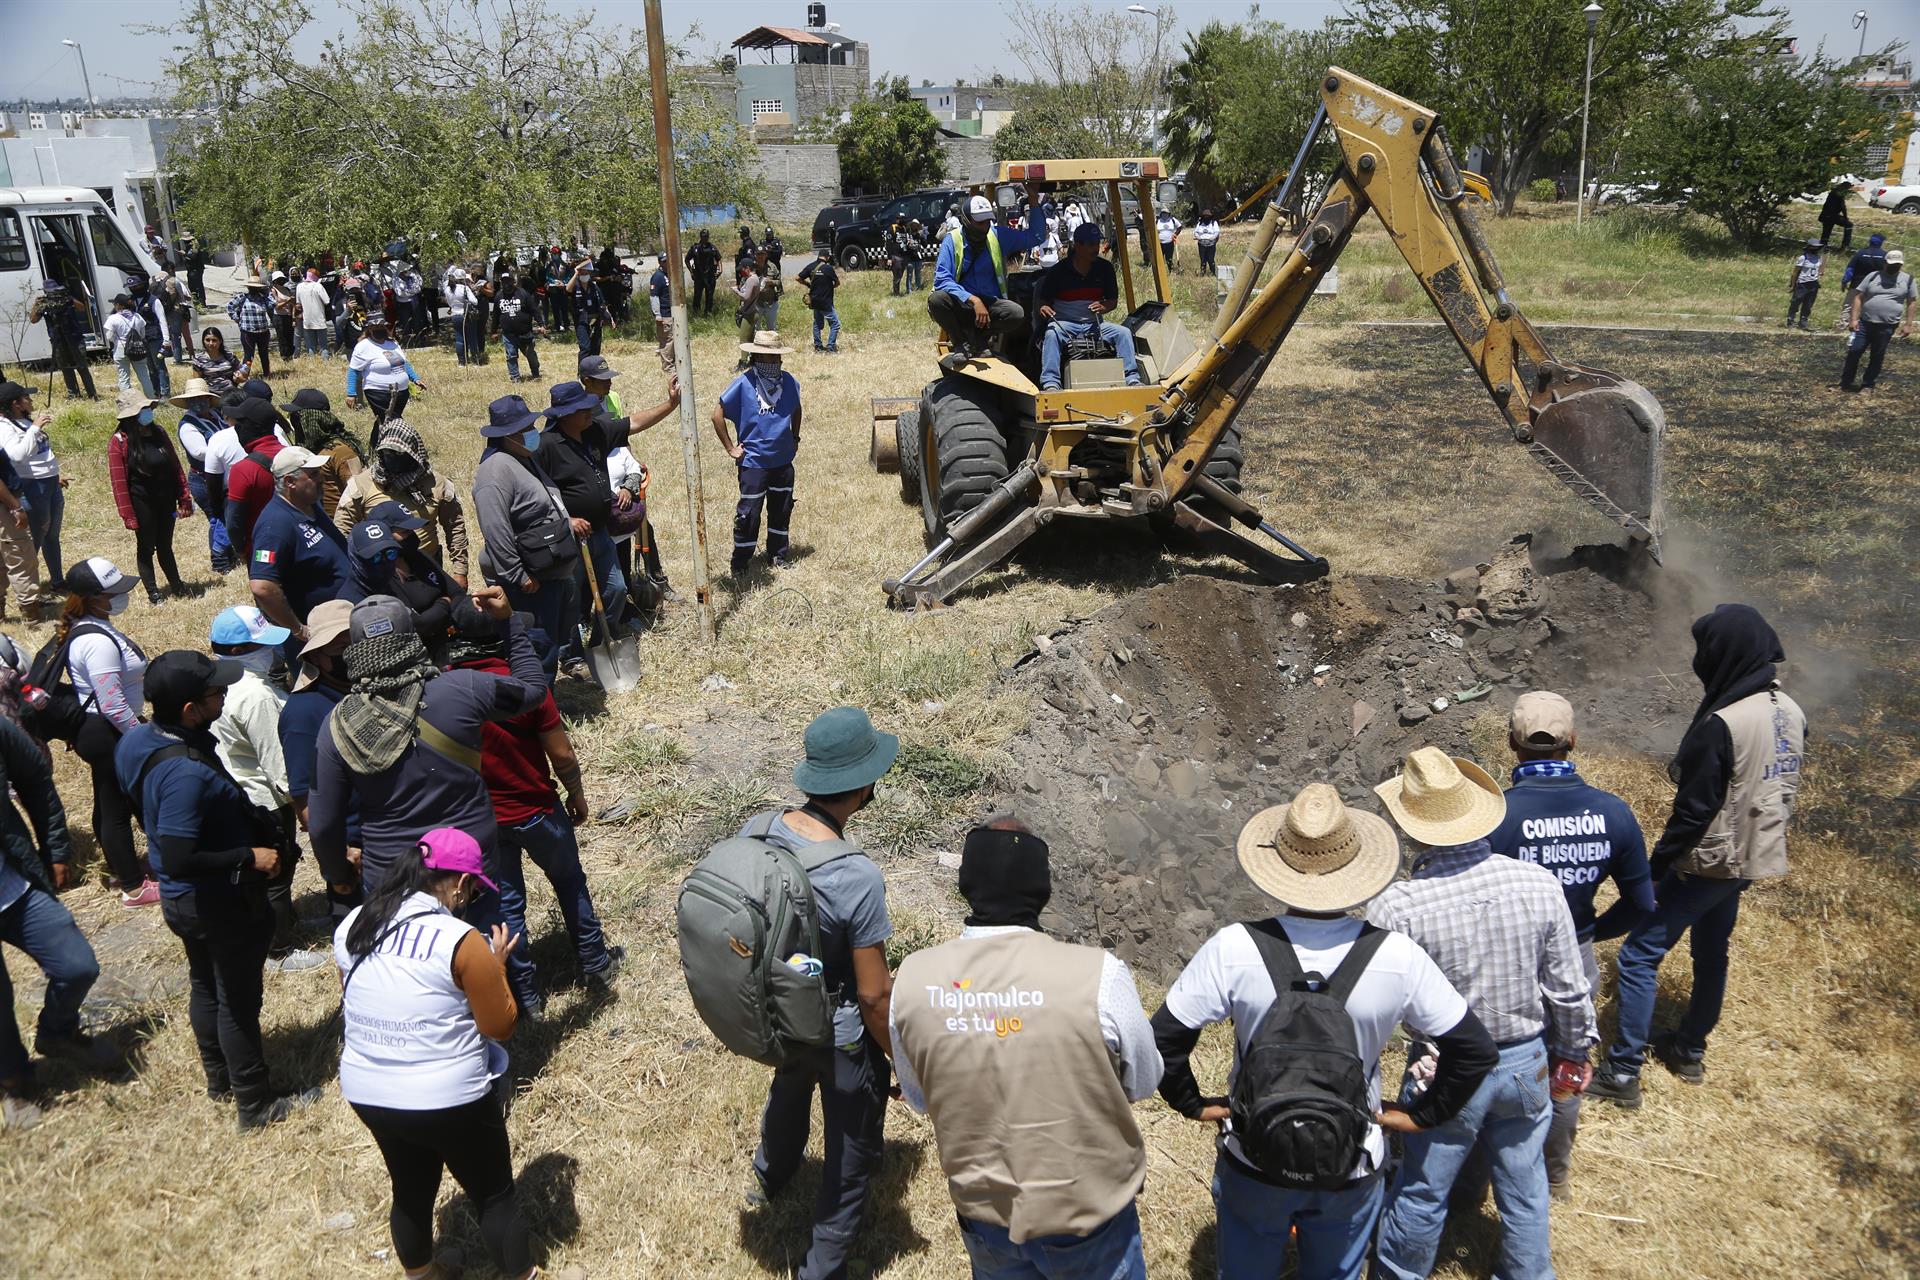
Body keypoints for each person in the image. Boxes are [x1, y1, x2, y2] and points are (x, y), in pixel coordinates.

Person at [1154, 784, 1497, 1280]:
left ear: (1279, 869)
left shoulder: (1233, 947)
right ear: (1358, 870)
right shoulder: (1395, 956)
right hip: (1353, 1159)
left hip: (1253, 1155)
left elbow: (1162, 1039)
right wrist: (1424, 1115)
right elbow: (1474, 1050)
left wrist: (1192, 1102)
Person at [892, 815, 1163, 1279]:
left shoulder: (913, 982)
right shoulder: (1099, 974)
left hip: (985, 1218)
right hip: (1088, 1218)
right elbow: (1143, 1081)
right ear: (1043, 889)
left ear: (966, 884)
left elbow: (918, 1098)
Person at [1366, 747, 1595, 1280]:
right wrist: (1574, 1052)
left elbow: (1374, 1005)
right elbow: (1567, 988)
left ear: (1410, 828)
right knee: (1525, 1186)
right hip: (1525, 1063)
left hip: (1443, 1068)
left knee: (1423, 1188)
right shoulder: (1537, 883)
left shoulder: (1397, 906)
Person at [1588, 604, 1805, 1108]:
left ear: (1724, 653)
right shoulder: (1789, 710)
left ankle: (1622, 1073)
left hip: (1710, 861)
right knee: (1712, 950)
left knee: (1638, 955)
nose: (1701, 659)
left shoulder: (1724, 723)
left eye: (1706, 649)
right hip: (1757, 852)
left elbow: (1694, 812)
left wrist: (1656, 869)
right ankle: (1688, 1049)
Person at [115, 650, 322, 1129]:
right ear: (190, 708)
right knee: (238, 1000)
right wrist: (248, 857)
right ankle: (255, 1103)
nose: (226, 694)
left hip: (182, 900)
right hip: (215, 900)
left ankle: (219, 1079)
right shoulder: (185, 774)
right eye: (216, 691)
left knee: (205, 982)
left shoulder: (138, 741)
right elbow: (181, 851)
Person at [334, 829, 541, 1280]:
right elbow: (500, 1026)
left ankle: (423, 1275)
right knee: (493, 1196)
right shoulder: (459, 939)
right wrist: (496, 967)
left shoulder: (355, 924)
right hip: (450, 1094)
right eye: (470, 890)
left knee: (410, 1188)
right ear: (459, 883)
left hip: (368, 1088)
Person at [743, 706, 899, 1280]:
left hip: (774, 1008)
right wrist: (896, 1057)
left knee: (789, 1082)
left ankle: (768, 1174)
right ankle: (824, 1263)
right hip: (834, 1025)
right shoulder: (857, 876)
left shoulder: (759, 829)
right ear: (861, 787)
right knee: (851, 1145)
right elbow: (875, 995)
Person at [1482, 690, 1652, 1198]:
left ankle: (1485, 1174)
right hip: (1575, 956)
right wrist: (1592, 932)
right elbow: (1642, 904)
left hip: (1506, 962)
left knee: (1498, 1062)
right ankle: (1553, 1176)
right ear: (1573, 742)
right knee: (1566, 1064)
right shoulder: (1613, 812)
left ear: (1512, 744)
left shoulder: (1496, 816)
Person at [307, 590, 543, 923]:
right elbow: (533, 688)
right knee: (481, 963)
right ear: (413, 639)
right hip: (467, 874)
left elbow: (322, 824)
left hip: (392, 884)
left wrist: (339, 874)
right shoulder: (463, 689)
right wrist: (508, 623)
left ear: (355, 652)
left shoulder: (337, 725)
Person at [446, 599, 618, 1015]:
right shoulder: (521, 685)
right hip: (536, 810)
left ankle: (526, 996)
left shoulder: (446, 692)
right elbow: (561, 755)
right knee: (569, 880)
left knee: (507, 906)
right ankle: (595, 963)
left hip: (485, 821)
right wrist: (576, 795)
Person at [0, 708, 102, 1131]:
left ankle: (57, 1032)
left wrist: (56, 848)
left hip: (13, 885)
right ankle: (13, 1082)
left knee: (77, 965)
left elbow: (35, 777)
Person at [207, 604, 322, 971]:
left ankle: (287, 921)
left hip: (240, 791)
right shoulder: (256, 696)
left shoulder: (222, 680)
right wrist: (302, 806)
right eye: (261, 644)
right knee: (276, 869)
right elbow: (278, 760)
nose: (271, 651)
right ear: (238, 651)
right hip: (264, 798)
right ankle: (279, 949)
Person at [55, 558, 156, 906]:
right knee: (117, 808)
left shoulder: (95, 625)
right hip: (107, 730)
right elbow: (111, 702)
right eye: (114, 593)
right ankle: (132, 886)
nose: (121, 597)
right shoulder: (96, 642)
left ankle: (120, 867)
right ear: (94, 597)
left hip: (104, 728)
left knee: (108, 800)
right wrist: (138, 734)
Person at [472, 396, 579, 684]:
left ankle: (547, 704)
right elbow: (495, 529)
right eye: (527, 428)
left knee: (550, 642)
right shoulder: (495, 470)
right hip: (529, 582)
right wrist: (517, 575)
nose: (534, 432)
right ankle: (538, 712)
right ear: (508, 435)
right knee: (536, 646)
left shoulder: (524, 459)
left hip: (550, 572)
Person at [280, 599, 359, 922]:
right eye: (340, 647)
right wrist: (339, 863)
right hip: (356, 853)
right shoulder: (303, 714)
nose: (351, 652)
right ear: (315, 656)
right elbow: (306, 804)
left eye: (356, 642)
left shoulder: (365, 689)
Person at [580, 354, 679, 609]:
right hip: (596, 495)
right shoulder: (578, 413)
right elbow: (629, 426)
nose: (609, 384)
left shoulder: (610, 400)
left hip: (620, 482)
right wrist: (669, 405)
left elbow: (621, 439)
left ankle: (650, 583)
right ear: (586, 381)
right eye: (602, 380)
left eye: (609, 378)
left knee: (640, 527)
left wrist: (631, 474)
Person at [335, 420, 469, 587]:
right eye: (387, 453)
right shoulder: (361, 485)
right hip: (383, 572)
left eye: (398, 454)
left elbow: (455, 527)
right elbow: (342, 531)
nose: (392, 458)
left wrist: (460, 571)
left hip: (427, 568)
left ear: (412, 453)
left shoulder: (438, 485)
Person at [713, 332, 801, 576]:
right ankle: (740, 562)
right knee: (749, 513)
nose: (774, 363)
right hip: (753, 463)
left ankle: (778, 554)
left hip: (782, 461)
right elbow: (716, 415)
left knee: (781, 509)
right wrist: (732, 448)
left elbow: (796, 408)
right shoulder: (744, 383)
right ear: (756, 356)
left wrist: (795, 437)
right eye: (768, 357)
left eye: (777, 358)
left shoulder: (789, 382)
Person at [931, 190, 1049, 368]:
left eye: (988, 220)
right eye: (980, 222)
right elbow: (942, 280)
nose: (985, 225)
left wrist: (1033, 200)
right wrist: (973, 300)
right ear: (966, 220)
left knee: (1015, 313)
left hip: (989, 304)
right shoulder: (952, 240)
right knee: (936, 299)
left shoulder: (998, 236)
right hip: (962, 302)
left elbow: (1036, 237)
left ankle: (978, 342)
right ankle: (960, 343)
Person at [248, 446, 353, 645]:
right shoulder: (275, 525)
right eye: (313, 474)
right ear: (290, 482)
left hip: (342, 624)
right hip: (322, 638)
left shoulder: (310, 504)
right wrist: (298, 630)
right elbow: (262, 587)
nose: (321, 478)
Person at [106, 390, 192, 604]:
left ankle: (177, 585)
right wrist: (128, 515)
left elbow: (175, 466)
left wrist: (184, 497)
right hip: (141, 503)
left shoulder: (159, 432)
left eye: (147, 409)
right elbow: (119, 484)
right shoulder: (119, 442)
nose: (147, 413)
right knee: (146, 547)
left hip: (166, 500)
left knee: (166, 544)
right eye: (142, 410)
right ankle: (153, 591)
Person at [1036, 223, 1143, 392]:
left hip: (1095, 324)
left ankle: (1131, 378)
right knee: (1051, 334)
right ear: (1077, 245)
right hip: (1065, 324)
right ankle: (1051, 382)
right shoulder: (1058, 271)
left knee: (1123, 333)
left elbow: (1112, 302)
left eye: (1098, 243)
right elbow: (1043, 302)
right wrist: (1044, 308)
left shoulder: (1105, 268)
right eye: (1091, 244)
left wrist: (1103, 306)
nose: (1096, 248)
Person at [346, 506, 456, 647]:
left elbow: (456, 592)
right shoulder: (379, 579)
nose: (413, 536)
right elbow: (418, 625)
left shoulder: (418, 557)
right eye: (405, 532)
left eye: (391, 553)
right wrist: (444, 603)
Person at [0, 381, 66, 590]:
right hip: (32, 489)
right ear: (15, 403)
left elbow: (40, 455)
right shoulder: (4, 427)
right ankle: (30, 590)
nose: (30, 399)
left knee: (52, 536)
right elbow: (17, 457)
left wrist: (54, 476)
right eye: (25, 397)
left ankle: (57, 581)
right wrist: (36, 428)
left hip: (50, 485)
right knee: (32, 544)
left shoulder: (26, 423)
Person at [170, 378, 237, 574]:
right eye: (193, 400)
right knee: (218, 518)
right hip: (204, 480)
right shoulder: (187, 425)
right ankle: (219, 560)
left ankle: (227, 554)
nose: (198, 402)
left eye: (201, 398)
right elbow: (199, 451)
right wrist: (226, 449)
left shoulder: (216, 415)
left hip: (222, 474)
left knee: (226, 516)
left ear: (209, 400)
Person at [219, 402, 292, 562]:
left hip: (264, 551)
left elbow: (234, 523)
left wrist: (242, 551)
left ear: (248, 428)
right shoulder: (293, 456)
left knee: (264, 585)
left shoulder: (243, 470)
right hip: (299, 543)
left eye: (238, 424)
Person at [1840, 248, 1915, 395]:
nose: (1894, 267)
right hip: (1865, 323)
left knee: (1877, 354)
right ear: (1885, 263)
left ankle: (1868, 384)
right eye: (1892, 264)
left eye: (1897, 265)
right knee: (1854, 350)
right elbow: (1858, 296)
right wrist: (1853, 319)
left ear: (1901, 265)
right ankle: (1846, 382)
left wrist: (1908, 324)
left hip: (1887, 325)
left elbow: (1911, 302)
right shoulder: (1873, 276)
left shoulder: (1908, 279)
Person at [285, 387, 364, 519]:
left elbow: (359, 494)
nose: (294, 422)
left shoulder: (341, 452)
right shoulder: (308, 450)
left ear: (310, 420)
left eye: (297, 417)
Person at [346, 314, 425, 431]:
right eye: (375, 327)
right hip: (378, 392)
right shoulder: (363, 346)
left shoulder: (392, 343)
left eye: (381, 326)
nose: (379, 329)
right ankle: (395, 445)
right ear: (369, 329)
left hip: (401, 392)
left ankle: (376, 447)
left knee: (384, 422)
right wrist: (351, 393)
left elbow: (404, 363)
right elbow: (354, 370)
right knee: (391, 421)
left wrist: (415, 378)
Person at [27, 281, 98, 400]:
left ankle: (92, 394)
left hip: (75, 338)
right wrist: (37, 305)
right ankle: (73, 394)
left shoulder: (67, 299)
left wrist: (68, 298)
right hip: (58, 340)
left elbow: (81, 308)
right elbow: (33, 320)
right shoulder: (45, 303)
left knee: (82, 367)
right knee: (65, 368)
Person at [125, 274, 175, 397]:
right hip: (141, 339)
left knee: (159, 365)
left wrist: (166, 341)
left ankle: (165, 393)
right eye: (131, 287)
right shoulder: (130, 300)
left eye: (136, 286)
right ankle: (155, 392)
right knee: (150, 367)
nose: (133, 289)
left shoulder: (153, 300)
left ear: (142, 285)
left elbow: (162, 320)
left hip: (154, 337)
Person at [494, 270, 545, 384]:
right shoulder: (498, 296)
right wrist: (493, 331)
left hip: (525, 332)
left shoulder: (523, 294)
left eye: (508, 281)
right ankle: (515, 377)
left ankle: (535, 372)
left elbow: (534, 310)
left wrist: (541, 324)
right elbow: (496, 315)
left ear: (513, 281)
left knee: (530, 354)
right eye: (503, 282)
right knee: (511, 355)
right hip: (508, 334)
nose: (506, 284)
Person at [105, 294, 160, 397]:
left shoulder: (113, 318)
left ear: (119, 305)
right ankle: (151, 398)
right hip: (137, 347)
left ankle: (128, 401)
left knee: (124, 377)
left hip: (121, 349)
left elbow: (108, 337)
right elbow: (142, 335)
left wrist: (117, 340)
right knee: (144, 376)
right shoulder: (137, 317)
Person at [226, 275, 275, 379]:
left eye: (257, 287)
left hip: (263, 332)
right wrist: (236, 318)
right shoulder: (242, 297)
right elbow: (229, 306)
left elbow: (273, 304)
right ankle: (244, 375)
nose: (254, 289)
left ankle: (267, 374)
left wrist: (267, 292)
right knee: (249, 356)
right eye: (252, 287)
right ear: (248, 288)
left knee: (264, 354)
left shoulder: (263, 298)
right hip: (248, 332)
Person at [797, 249, 841, 354]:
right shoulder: (829, 268)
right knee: (835, 324)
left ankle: (818, 346)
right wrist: (830, 286)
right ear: (827, 257)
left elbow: (798, 278)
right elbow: (837, 283)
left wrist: (808, 284)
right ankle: (830, 347)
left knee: (817, 323)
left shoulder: (810, 266)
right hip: (826, 301)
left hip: (814, 301)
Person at [569, 259, 612, 357]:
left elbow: (603, 304)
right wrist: (576, 273)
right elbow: (568, 289)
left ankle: (594, 370)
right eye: (582, 272)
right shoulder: (575, 286)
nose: (585, 274)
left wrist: (610, 318)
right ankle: (583, 371)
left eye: (587, 272)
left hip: (595, 320)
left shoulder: (594, 287)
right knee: (585, 348)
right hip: (581, 320)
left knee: (595, 347)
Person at [191, 326, 247, 397]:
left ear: (220, 341)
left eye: (214, 340)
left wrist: (240, 378)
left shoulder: (229, 356)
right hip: (211, 396)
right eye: (207, 340)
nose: (210, 343)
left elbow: (241, 373)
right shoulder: (198, 359)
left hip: (231, 393)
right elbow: (197, 382)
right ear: (203, 341)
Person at [446, 268, 484, 367]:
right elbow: (475, 301)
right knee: (472, 338)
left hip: (455, 315)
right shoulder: (464, 288)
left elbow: (449, 303)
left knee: (459, 339)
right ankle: (475, 361)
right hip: (467, 315)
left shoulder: (448, 289)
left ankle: (462, 362)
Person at [296, 268, 332, 360]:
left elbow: (298, 303)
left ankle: (312, 362)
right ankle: (325, 361)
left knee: (310, 345)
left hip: (307, 320)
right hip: (319, 320)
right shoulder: (318, 286)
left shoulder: (299, 287)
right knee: (323, 344)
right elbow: (327, 301)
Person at [1786, 239, 1822, 331]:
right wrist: (1793, 285)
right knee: (1796, 301)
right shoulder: (1803, 257)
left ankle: (1803, 321)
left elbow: (1820, 270)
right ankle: (1791, 319)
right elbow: (1795, 272)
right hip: (1802, 283)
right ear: (1809, 247)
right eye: (1813, 246)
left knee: (1808, 303)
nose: (1815, 248)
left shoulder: (1819, 257)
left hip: (1813, 283)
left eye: (1817, 247)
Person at [688, 229, 722, 316]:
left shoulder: (712, 248)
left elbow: (718, 258)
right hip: (699, 276)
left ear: (708, 237)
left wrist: (720, 270)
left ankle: (708, 313)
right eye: (703, 237)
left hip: (710, 276)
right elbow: (687, 260)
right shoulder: (695, 248)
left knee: (709, 296)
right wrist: (691, 272)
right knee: (697, 296)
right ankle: (696, 313)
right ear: (700, 237)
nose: (705, 239)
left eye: (706, 237)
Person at [647, 256, 673, 357]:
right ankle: (668, 368)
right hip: (664, 314)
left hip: (672, 313)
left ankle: (672, 365)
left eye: (668, 261)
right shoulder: (658, 276)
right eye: (664, 261)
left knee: (672, 341)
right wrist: (657, 314)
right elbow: (654, 296)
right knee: (667, 342)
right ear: (659, 262)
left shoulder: (669, 274)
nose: (666, 263)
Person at [1819, 181, 1853, 250]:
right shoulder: (1839, 193)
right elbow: (1843, 207)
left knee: (1826, 231)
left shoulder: (1834, 191)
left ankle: (1823, 245)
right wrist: (1845, 217)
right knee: (1849, 225)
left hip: (1826, 214)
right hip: (1832, 215)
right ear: (1845, 187)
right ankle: (1845, 245)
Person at [1155, 207, 1180, 272]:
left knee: (1169, 258)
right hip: (1160, 243)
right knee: (1160, 259)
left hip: (1169, 242)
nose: (1164, 214)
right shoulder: (1157, 221)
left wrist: (1175, 234)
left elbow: (1179, 227)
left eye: (1166, 213)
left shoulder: (1172, 220)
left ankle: (1170, 271)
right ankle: (1160, 272)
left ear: (1169, 214)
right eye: (1163, 213)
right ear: (1161, 214)